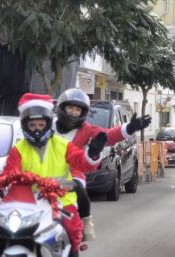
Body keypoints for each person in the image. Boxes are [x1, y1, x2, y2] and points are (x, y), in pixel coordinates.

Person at [0, 93, 107, 257]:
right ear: (25, 126)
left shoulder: (63, 145)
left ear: (48, 124)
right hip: (28, 200)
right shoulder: (18, 149)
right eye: (32, 125)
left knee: (72, 227)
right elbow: (8, 173)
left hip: (61, 197)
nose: (36, 129)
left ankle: (73, 255)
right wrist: (0, 185)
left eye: (41, 125)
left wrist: (93, 153)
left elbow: (83, 163)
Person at [54, 88, 151, 240]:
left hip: (72, 173)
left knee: (79, 190)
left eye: (77, 109)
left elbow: (108, 135)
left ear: (83, 112)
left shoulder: (87, 130)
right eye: (70, 107)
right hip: (43, 171)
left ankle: (84, 223)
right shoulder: (48, 126)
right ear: (61, 107)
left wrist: (131, 128)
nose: (73, 112)